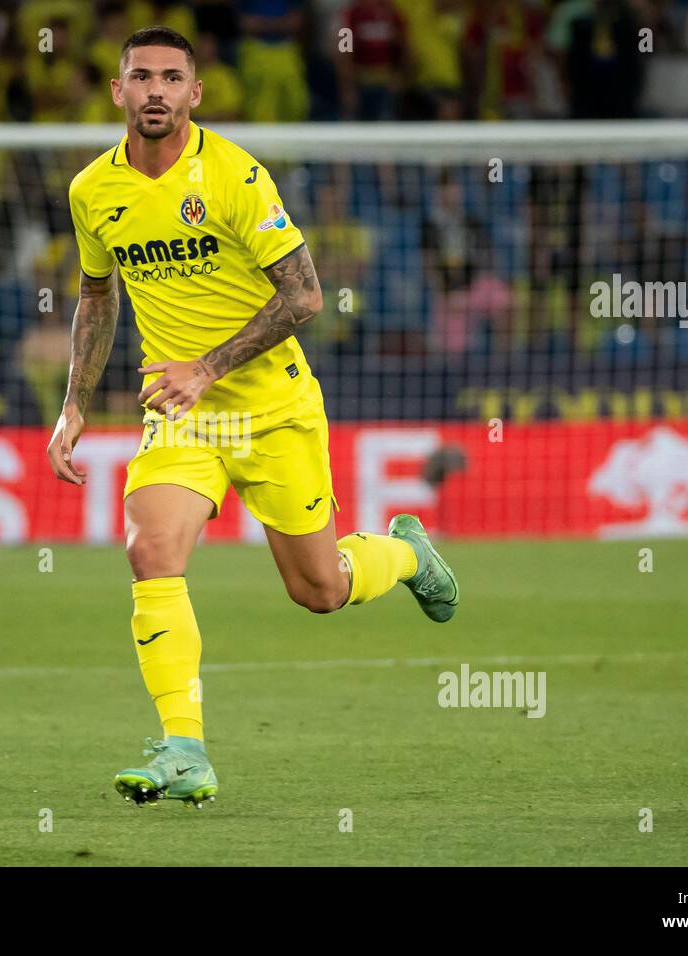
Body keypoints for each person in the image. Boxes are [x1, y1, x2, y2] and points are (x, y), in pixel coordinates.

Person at [47, 26, 460, 808]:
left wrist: (208, 367)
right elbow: (97, 297)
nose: (157, 91)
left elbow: (305, 294)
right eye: (142, 77)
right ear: (118, 92)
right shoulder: (91, 192)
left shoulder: (234, 175)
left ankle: (405, 554)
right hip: (179, 412)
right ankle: (184, 747)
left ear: (196, 93)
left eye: (173, 77)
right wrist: (74, 405)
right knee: (151, 547)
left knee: (320, 591)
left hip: (273, 410)